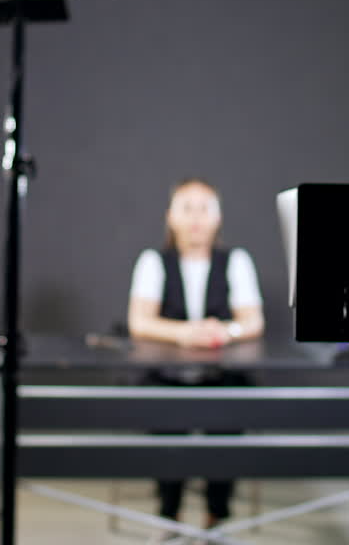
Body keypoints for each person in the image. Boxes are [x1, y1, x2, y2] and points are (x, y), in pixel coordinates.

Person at [127, 178, 265, 532]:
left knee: (227, 430)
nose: (195, 218)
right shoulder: (153, 261)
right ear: (170, 217)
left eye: (204, 209)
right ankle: (169, 517)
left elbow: (252, 320)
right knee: (165, 431)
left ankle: (215, 519)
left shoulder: (236, 260)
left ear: (217, 218)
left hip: (223, 379)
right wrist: (183, 333)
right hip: (166, 379)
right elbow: (139, 321)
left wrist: (225, 332)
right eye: (186, 208)